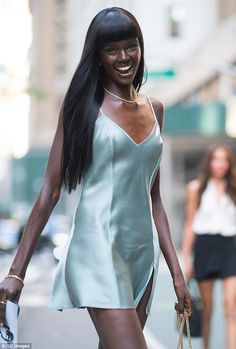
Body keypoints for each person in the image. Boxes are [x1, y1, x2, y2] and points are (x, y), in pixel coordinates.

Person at [0, 7, 192, 349]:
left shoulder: (155, 109)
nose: (123, 57)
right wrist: (17, 271)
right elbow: (50, 189)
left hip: (141, 254)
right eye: (111, 49)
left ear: (140, 46)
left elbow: (156, 199)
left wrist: (177, 275)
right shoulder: (82, 108)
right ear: (98, 55)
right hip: (97, 248)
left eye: (130, 46)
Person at [182, 144, 236, 349]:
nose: (220, 164)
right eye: (216, 159)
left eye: (225, 160)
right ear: (209, 162)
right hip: (204, 247)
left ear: (229, 164)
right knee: (207, 310)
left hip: (229, 248)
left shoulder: (234, 186)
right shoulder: (195, 188)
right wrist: (186, 258)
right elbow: (190, 224)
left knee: (231, 307)